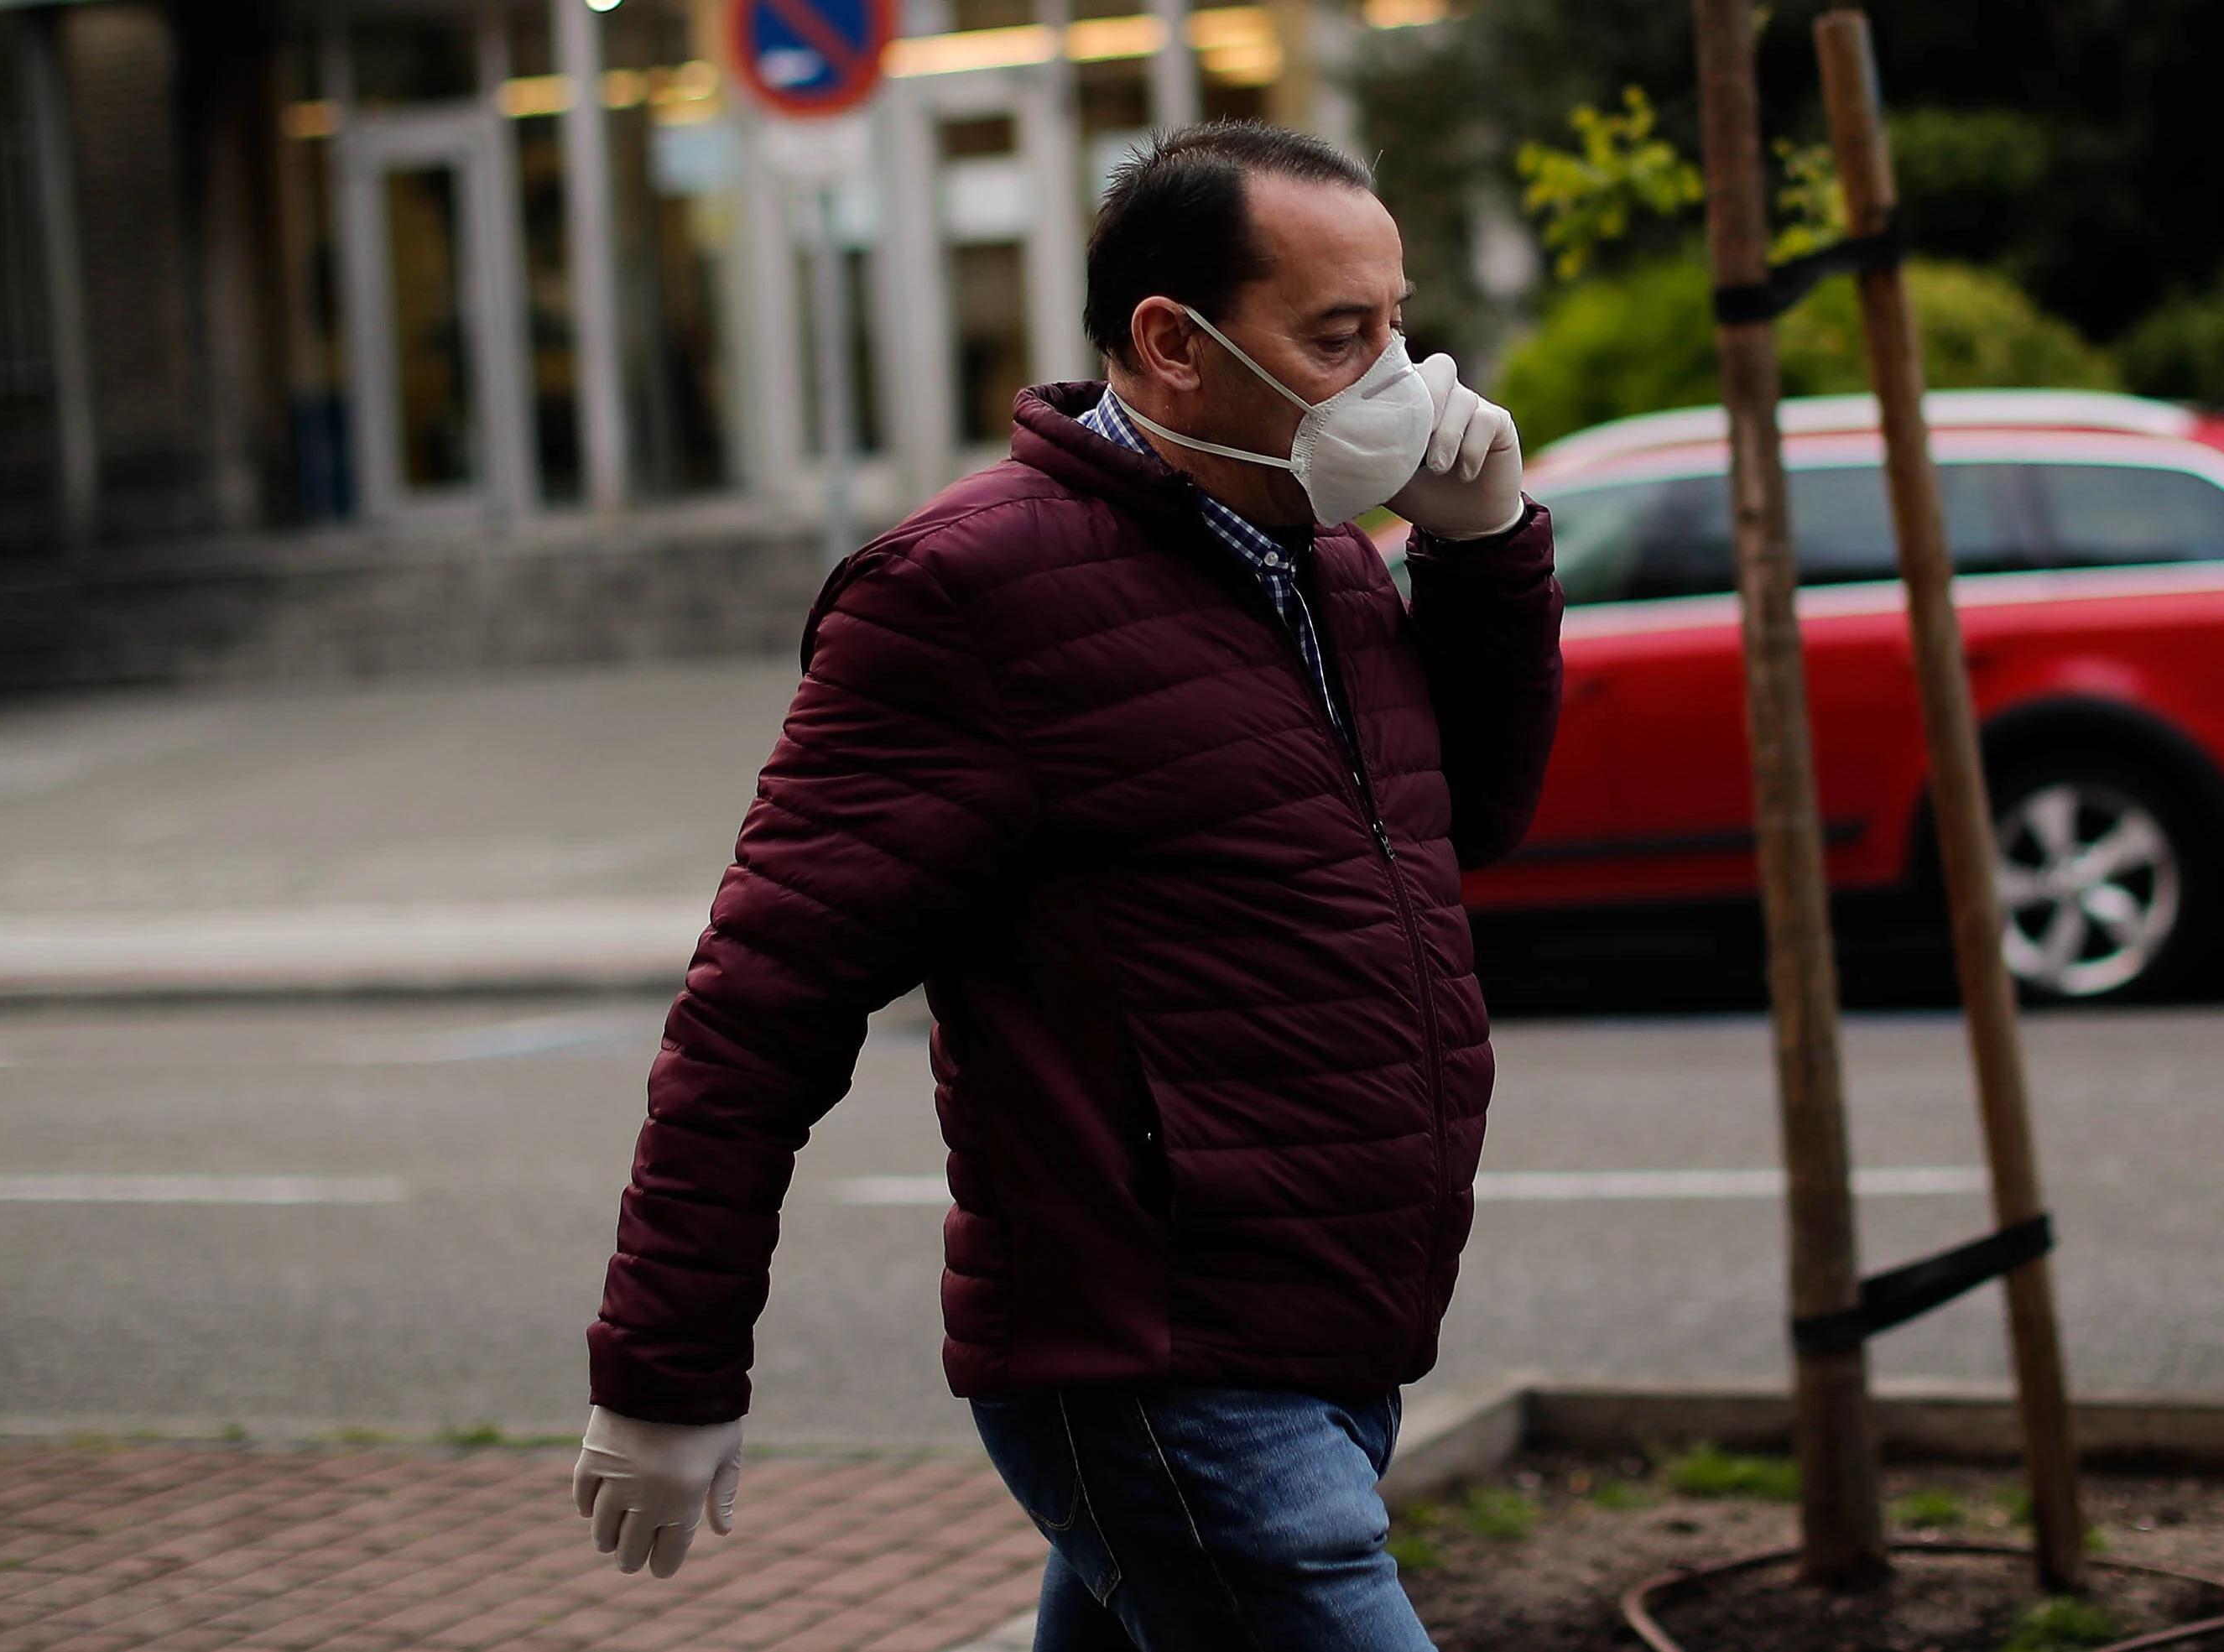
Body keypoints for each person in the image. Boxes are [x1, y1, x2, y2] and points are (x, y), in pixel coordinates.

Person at [570, 119, 1562, 1651]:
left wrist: (1487, 552)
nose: (1399, 382)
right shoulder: (968, 595)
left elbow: (1470, 823)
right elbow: (765, 1000)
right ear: (1172, 343)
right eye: (1340, 335)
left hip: (1338, 1321)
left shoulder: (1330, 561)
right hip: (1161, 1363)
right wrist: (664, 1368)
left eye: (1401, 327)